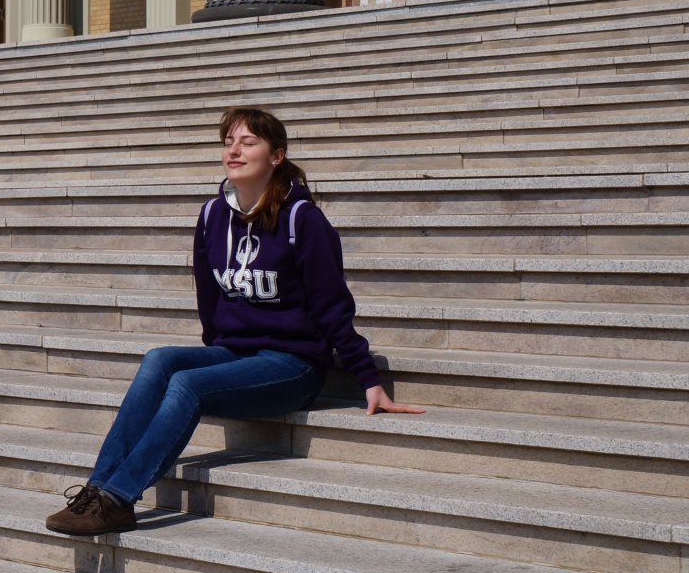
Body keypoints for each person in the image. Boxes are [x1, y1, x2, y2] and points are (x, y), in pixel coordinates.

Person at [46, 106, 424, 537]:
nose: (235, 150)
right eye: (229, 142)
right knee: (159, 360)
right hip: (239, 353)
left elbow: (332, 303)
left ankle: (118, 500)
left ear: (276, 155)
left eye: (248, 142)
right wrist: (221, 355)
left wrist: (367, 378)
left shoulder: (303, 220)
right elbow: (209, 299)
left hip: (292, 366)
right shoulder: (211, 216)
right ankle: (96, 490)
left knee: (188, 384)